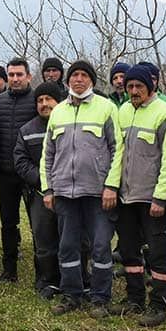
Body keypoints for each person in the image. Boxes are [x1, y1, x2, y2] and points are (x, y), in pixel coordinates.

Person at [42, 60, 123, 317]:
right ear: (68, 81)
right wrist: (48, 189)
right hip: (65, 192)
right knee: (67, 246)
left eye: (83, 75)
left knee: (100, 246)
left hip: (98, 193)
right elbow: (48, 154)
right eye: (74, 75)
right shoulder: (58, 112)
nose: (78, 80)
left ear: (92, 80)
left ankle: (100, 297)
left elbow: (117, 149)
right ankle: (71, 294)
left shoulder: (106, 108)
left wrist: (111, 185)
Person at [111, 63, 166, 327]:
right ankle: (134, 297)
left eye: (139, 86)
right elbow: (117, 153)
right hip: (126, 196)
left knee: (158, 251)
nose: (134, 90)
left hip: (151, 198)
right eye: (130, 86)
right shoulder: (123, 111)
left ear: (150, 87)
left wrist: (161, 197)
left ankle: (159, 303)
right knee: (129, 248)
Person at [14, 81, 66, 299]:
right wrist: (43, 181)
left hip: (68, 193)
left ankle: (73, 279)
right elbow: (20, 160)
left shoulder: (70, 124)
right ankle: (46, 280)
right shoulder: (27, 130)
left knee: (72, 239)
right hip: (39, 194)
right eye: (40, 100)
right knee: (43, 240)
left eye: (48, 99)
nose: (44, 104)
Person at [0, 57, 37, 282]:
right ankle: (9, 270)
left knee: (38, 225)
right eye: (11, 75)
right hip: (6, 173)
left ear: (28, 76)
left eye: (20, 74)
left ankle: (44, 272)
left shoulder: (38, 100)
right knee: (8, 223)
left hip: (31, 174)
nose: (15, 79)